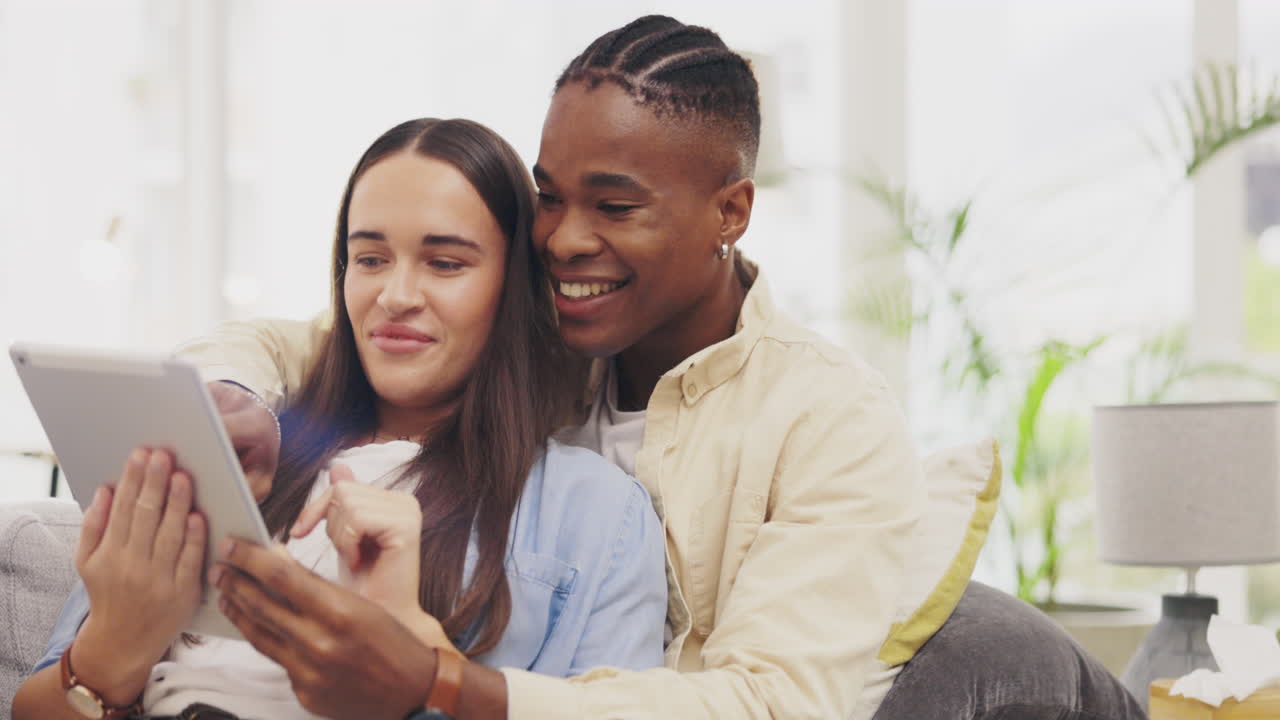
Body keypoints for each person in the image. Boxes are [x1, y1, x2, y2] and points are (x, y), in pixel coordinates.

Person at [162, 16, 927, 720]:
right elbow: (293, 346)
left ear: (730, 212)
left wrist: (439, 679)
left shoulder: (831, 417)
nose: (562, 240)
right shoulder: (531, 338)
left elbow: (775, 704)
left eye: (616, 208)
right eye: (550, 198)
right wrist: (234, 401)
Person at [12, 118, 667, 720]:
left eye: (445, 263)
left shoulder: (593, 515)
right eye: (371, 258)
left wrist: (415, 655)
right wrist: (112, 644)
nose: (396, 296)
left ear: (513, 285)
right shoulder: (247, 455)